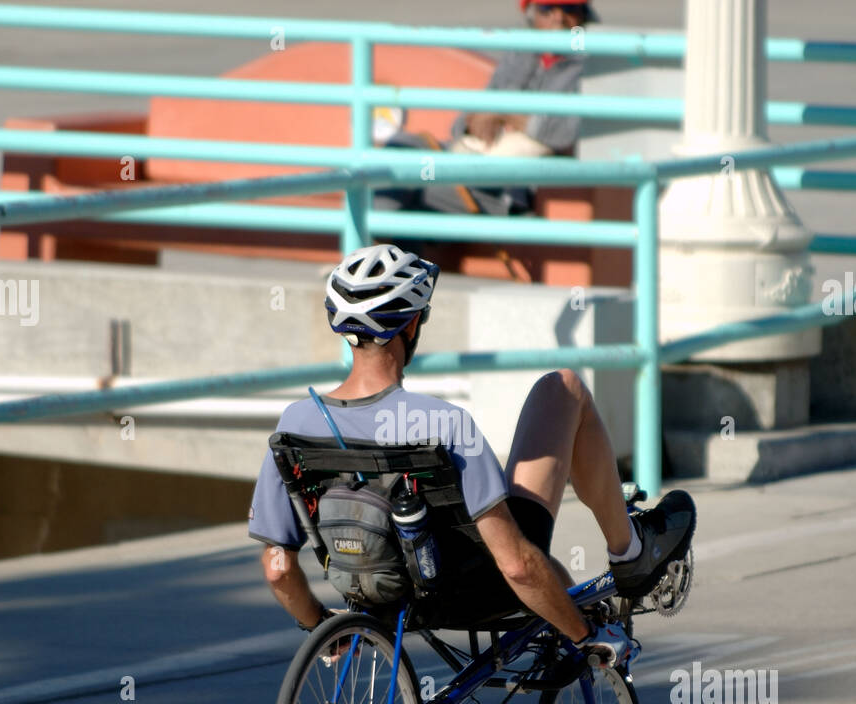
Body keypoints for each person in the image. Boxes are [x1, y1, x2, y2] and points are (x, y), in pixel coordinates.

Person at [247, 243, 696, 668]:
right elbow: (518, 566)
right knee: (564, 388)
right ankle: (630, 551)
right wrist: (584, 636)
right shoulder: (443, 423)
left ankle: (614, 564)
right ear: (409, 327)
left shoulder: (296, 424)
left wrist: (322, 625)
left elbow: (278, 567)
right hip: (481, 592)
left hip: (376, 594)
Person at [374, 0, 598, 218]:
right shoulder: (521, 53)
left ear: (583, 15)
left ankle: (370, 243)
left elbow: (563, 134)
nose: (558, 17)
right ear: (532, 13)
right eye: (548, 8)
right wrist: (476, 121)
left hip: (509, 187)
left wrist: (503, 112)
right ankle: (382, 243)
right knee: (401, 146)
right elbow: (462, 125)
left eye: (568, 8)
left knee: (409, 187)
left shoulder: (593, 62)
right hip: (471, 162)